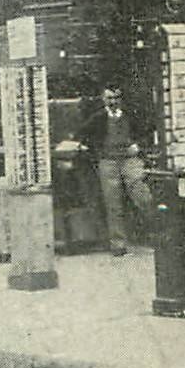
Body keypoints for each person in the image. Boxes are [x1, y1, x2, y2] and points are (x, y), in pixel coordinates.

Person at [79, 84, 155, 255]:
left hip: (130, 160)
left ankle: (154, 237)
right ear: (103, 99)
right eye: (109, 98)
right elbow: (82, 135)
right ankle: (118, 244)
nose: (113, 102)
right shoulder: (97, 118)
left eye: (116, 98)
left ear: (121, 99)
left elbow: (149, 131)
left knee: (143, 196)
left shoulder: (131, 116)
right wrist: (96, 151)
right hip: (108, 161)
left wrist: (139, 145)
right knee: (113, 203)